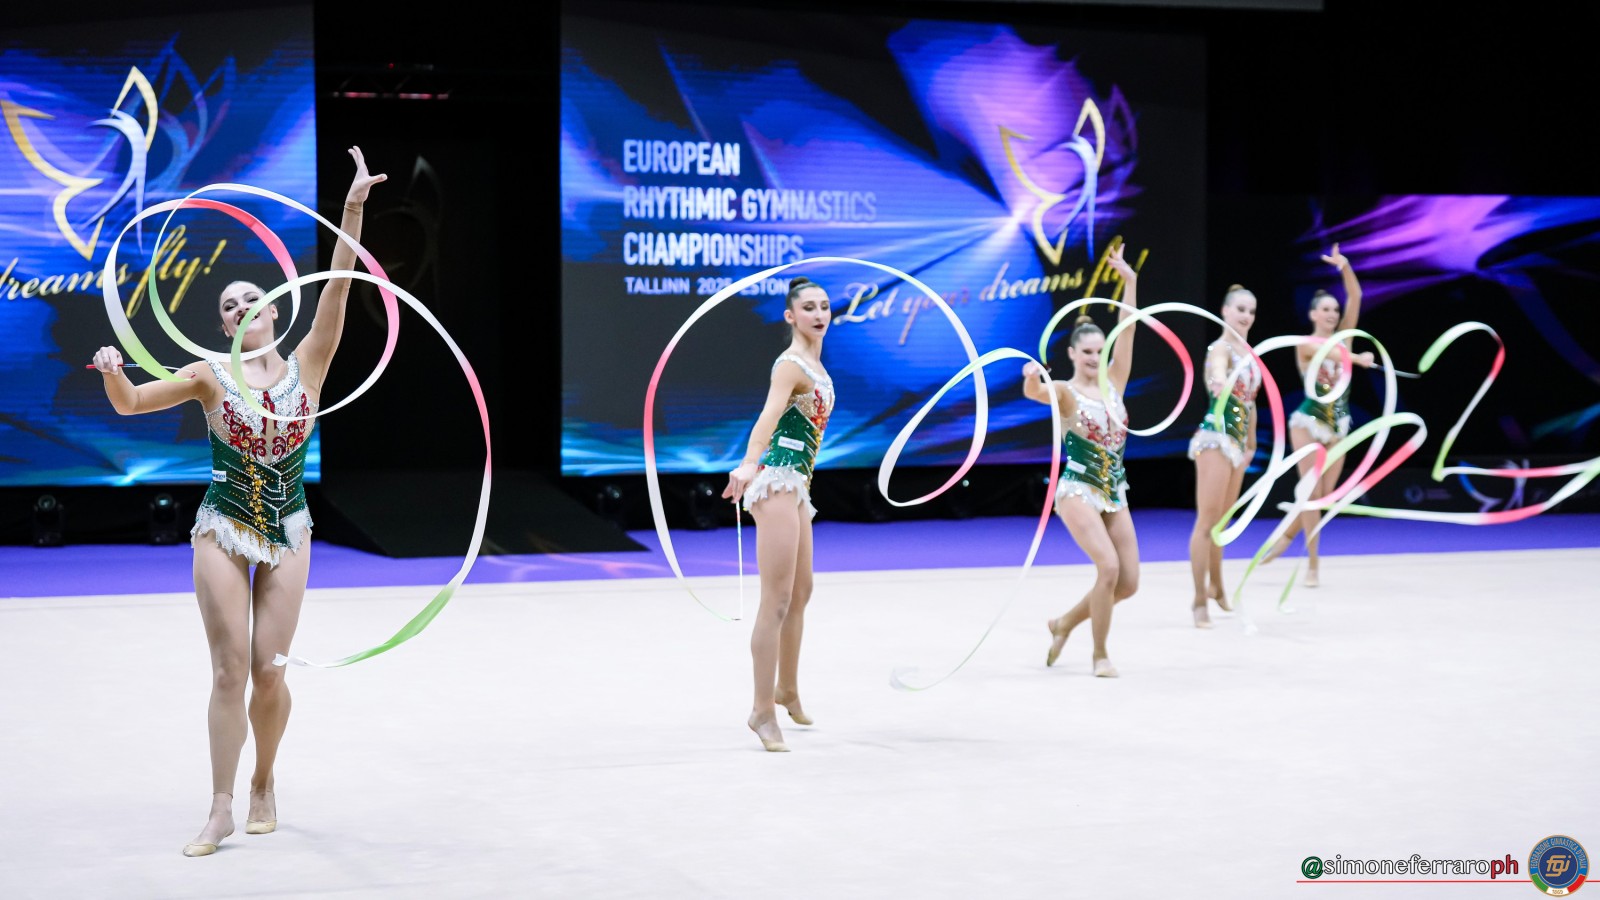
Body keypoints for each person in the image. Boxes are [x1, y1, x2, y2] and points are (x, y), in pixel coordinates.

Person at [92, 147, 385, 855]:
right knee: (228, 670)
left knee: (269, 672)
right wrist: (111, 371)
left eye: (250, 298)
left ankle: (263, 781)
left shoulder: (310, 363)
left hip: (288, 527)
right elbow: (131, 403)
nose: (239, 307)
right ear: (224, 327)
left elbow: (339, 288)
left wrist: (351, 208)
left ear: (274, 312)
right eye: (228, 305)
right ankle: (221, 806)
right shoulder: (207, 376)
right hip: (223, 523)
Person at [721, 276, 834, 752]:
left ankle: (787, 689)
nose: (819, 314)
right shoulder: (790, 365)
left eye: (824, 306)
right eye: (808, 307)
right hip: (777, 483)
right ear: (790, 316)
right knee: (777, 601)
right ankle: (761, 709)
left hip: (798, 487)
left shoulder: (816, 365)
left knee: (801, 593)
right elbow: (769, 416)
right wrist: (750, 463)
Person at [1022, 244, 1141, 677]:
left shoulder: (1115, 383)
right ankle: (1100, 655)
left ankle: (1063, 623)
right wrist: (1031, 379)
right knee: (1107, 568)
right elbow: (1035, 393)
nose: (1095, 358)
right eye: (1087, 352)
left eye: (1099, 351)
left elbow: (1129, 329)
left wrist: (1130, 280)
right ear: (1072, 354)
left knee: (1127, 583)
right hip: (1077, 490)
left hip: (1114, 489)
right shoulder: (1065, 392)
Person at [1262, 244, 1374, 586]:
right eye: (1325, 309)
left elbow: (1356, 296)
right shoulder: (1305, 343)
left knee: (1323, 496)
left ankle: (1285, 536)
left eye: (1335, 310)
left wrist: (1345, 267)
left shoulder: (1344, 339)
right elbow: (1332, 355)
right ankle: (1312, 565)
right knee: (1311, 494)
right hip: (1308, 422)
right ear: (1313, 314)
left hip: (1338, 424)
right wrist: (1357, 359)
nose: (1332, 314)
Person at [1185, 285, 1260, 626]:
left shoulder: (1250, 354)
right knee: (1207, 522)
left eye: (1251, 311)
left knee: (1222, 524)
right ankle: (1199, 600)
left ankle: (1217, 586)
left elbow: (1250, 402)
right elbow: (1217, 368)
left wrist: (1251, 443)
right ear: (1225, 311)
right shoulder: (1221, 349)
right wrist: (1218, 379)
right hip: (1216, 438)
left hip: (1238, 443)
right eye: (1240, 309)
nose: (1246, 316)